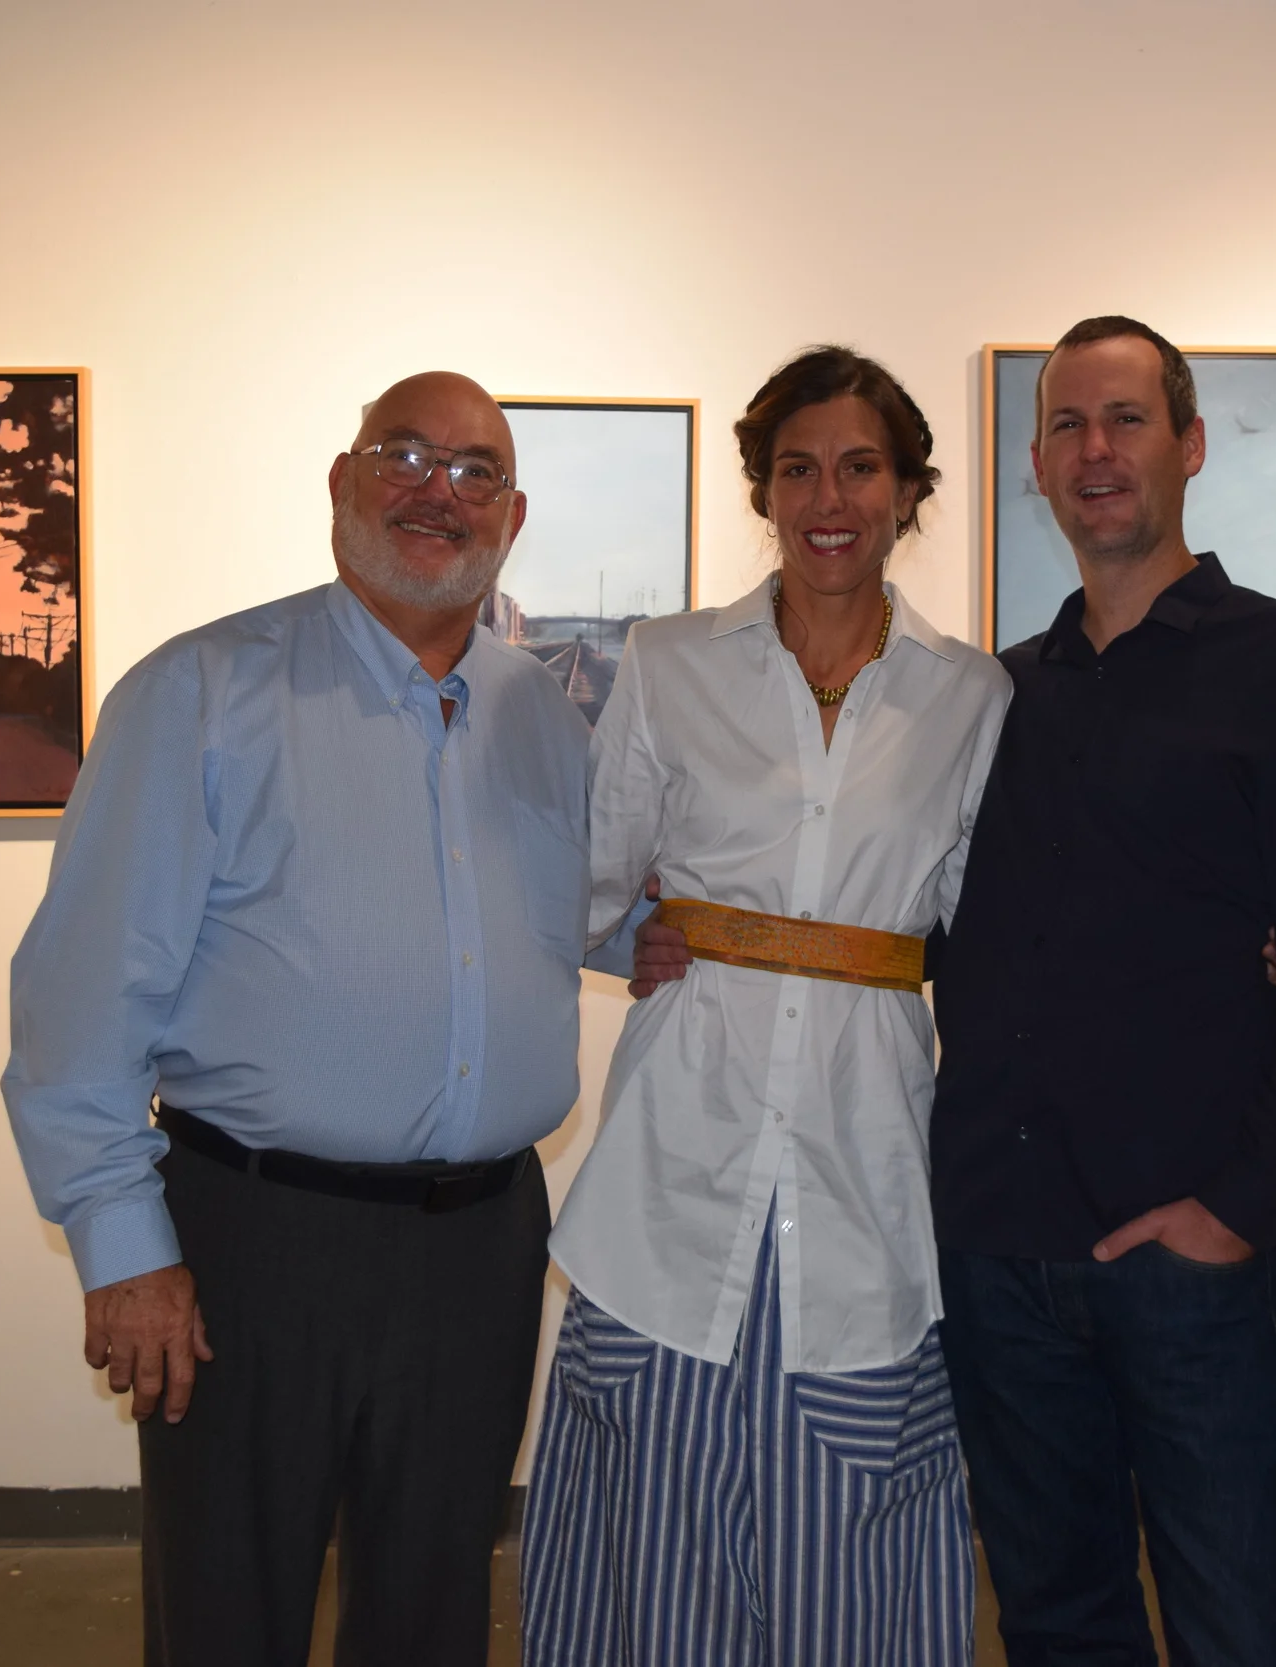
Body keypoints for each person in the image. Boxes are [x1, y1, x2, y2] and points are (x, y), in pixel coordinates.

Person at [1, 372, 595, 1667]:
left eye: (476, 469)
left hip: (481, 1245)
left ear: (515, 513)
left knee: (431, 1613)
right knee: (229, 1613)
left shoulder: (543, 718)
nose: (440, 489)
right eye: (406, 453)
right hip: (253, 1246)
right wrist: (124, 1245)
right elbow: (82, 991)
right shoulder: (205, 692)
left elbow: (558, 928)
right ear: (341, 481)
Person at [522, 346, 1011, 1667]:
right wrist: (648, 934)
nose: (828, 495)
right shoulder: (670, 663)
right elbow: (583, 886)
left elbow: (1005, 927)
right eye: (797, 467)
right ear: (764, 489)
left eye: (859, 465)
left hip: (866, 1176)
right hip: (673, 1179)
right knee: (653, 1563)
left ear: (907, 490)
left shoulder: (973, 698)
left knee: (858, 1552)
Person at [934, 316, 1276, 1665]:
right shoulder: (994, 694)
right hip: (1004, 1252)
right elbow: (913, 921)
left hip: (1188, 1265)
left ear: (1187, 445)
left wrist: (1241, 1210)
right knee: (1059, 1623)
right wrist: (697, 937)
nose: (1097, 451)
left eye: (1126, 419)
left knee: (1236, 1627)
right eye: (1069, 425)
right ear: (1033, 463)